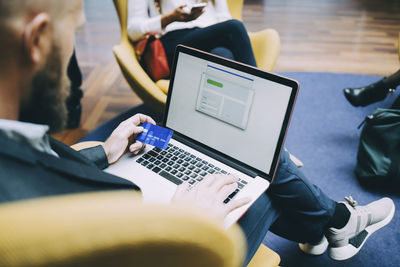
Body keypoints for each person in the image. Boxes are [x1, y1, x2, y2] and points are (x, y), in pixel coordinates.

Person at [0, 0, 395, 264]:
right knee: (264, 169)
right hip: (165, 244)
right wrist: (180, 224)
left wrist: (104, 151)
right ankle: (337, 221)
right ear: (36, 40)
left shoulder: (13, 146)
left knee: (242, 154)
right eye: (73, 33)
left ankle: (327, 224)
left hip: (125, 196)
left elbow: (46, 165)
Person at [127, 0, 257, 67]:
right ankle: (261, 93)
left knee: (222, 55)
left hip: (210, 37)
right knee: (234, 27)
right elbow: (133, 30)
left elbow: (224, 17)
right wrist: (170, 18)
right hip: (172, 43)